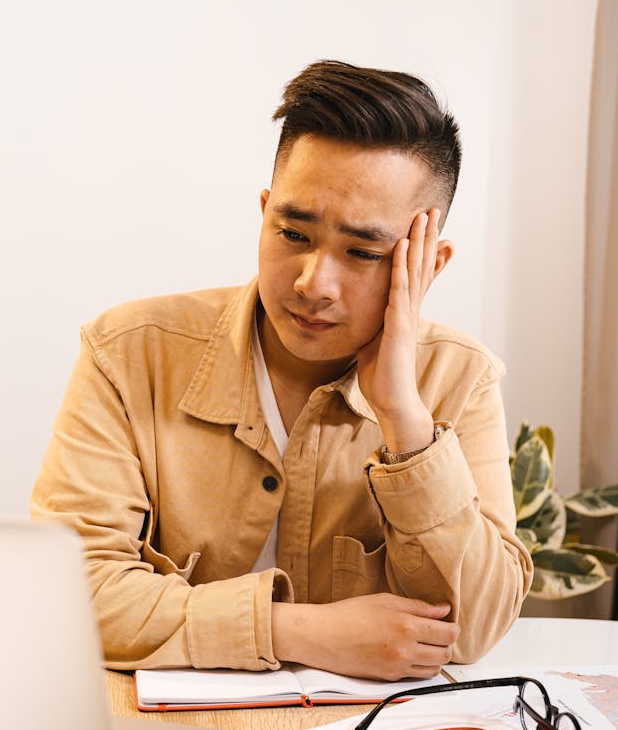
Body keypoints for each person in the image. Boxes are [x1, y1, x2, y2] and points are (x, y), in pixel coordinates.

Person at [31, 60, 532, 680]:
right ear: (265, 211)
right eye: (294, 232)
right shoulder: (128, 353)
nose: (313, 283)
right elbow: (69, 596)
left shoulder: (460, 379)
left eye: (363, 252)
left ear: (428, 262)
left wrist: (406, 421)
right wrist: (302, 632)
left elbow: (473, 627)